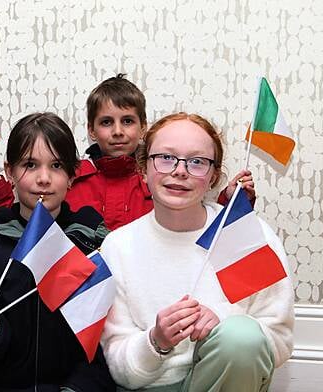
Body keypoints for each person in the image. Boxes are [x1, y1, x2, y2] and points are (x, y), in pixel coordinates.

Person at [99, 112, 294, 391]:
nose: (180, 171)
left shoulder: (248, 235)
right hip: (151, 386)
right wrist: (156, 341)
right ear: (143, 169)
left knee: (240, 337)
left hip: (230, 382)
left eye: (197, 162)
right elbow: (119, 368)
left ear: (214, 176)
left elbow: (278, 338)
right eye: (165, 158)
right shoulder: (118, 247)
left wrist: (222, 320)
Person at [0, 112, 116, 391]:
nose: (43, 179)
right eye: (30, 164)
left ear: (73, 173)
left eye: (56, 165)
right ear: (10, 171)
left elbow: (107, 345)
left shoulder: (93, 245)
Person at [0, 74, 254, 230]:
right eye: (107, 122)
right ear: (92, 130)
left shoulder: (160, 176)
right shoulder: (70, 176)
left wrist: (230, 200)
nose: (118, 131)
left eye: (128, 121)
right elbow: (14, 226)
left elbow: (194, 220)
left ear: (143, 127)